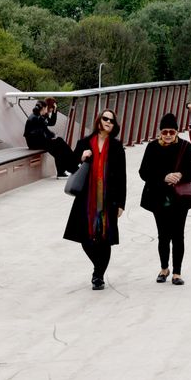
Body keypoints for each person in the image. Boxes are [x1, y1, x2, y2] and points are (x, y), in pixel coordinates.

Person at [63, 109, 127, 290]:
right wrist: (81, 157)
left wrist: (121, 203)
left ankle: (98, 275)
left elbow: (121, 177)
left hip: (108, 199)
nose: (108, 122)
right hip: (86, 198)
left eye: (111, 121)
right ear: (99, 120)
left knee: (105, 239)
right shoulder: (83, 143)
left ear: (114, 125)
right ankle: (98, 266)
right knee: (85, 238)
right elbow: (70, 166)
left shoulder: (116, 146)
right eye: (105, 118)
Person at [139, 113, 191, 285]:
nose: (167, 135)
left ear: (176, 132)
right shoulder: (152, 147)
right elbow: (144, 172)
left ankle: (177, 272)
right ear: (160, 132)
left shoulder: (185, 147)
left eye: (171, 132)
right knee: (163, 234)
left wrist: (181, 174)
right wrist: (164, 177)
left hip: (180, 198)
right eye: (164, 132)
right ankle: (164, 268)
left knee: (178, 234)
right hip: (158, 196)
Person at [24, 98, 76, 177]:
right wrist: (53, 137)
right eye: (46, 108)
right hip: (35, 143)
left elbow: (45, 130)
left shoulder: (37, 116)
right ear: (43, 108)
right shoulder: (37, 118)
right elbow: (45, 131)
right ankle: (72, 166)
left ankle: (66, 169)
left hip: (37, 141)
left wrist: (53, 137)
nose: (47, 110)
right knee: (59, 145)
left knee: (59, 144)